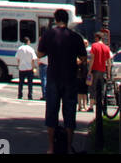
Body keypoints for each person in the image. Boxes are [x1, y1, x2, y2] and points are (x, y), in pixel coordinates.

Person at [36, 8, 88, 154]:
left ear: (56, 19)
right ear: (67, 20)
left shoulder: (48, 34)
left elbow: (40, 54)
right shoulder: (75, 37)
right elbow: (83, 58)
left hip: (53, 77)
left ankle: (51, 147)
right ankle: (68, 147)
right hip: (70, 78)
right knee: (70, 112)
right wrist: (75, 61)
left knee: (52, 111)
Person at [88, 32, 113, 108]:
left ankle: (91, 106)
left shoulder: (94, 46)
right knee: (101, 88)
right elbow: (109, 62)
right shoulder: (106, 48)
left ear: (97, 38)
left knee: (93, 87)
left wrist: (89, 70)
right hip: (102, 70)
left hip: (95, 69)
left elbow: (92, 58)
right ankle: (101, 104)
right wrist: (108, 73)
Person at [77, 36, 91, 112]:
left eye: (86, 43)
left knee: (85, 91)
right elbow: (77, 61)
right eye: (84, 43)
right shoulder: (78, 51)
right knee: (79, 91)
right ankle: (79, 106)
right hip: (79, 73)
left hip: (86, 73)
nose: (85, 44)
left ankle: (85, 105)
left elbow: (90, 60)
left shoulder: (89, 52)